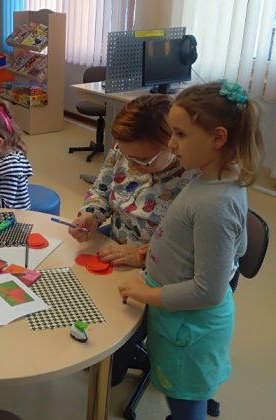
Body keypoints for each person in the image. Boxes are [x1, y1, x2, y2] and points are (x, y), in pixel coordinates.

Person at [118, 81, 264, 420]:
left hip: (190, 327)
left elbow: (209, 291)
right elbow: (236, 246)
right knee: (182, 394)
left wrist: (145, 293)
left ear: (218, 138)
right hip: (181, 319)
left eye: (181, 134)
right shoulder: (216, 178)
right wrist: (160, 251)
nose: (171, 143)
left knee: (185, 401)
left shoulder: (216, 203)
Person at [68, 94, 197, 268]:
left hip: (158, 269)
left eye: (141, 160)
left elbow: (195, 253)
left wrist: (143, 256)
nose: (129, 165)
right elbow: (101, 190)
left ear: (173, 145)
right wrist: (92, 215)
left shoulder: (196, 181)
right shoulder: (126, 150)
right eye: (124, 154)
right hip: (114, 244)